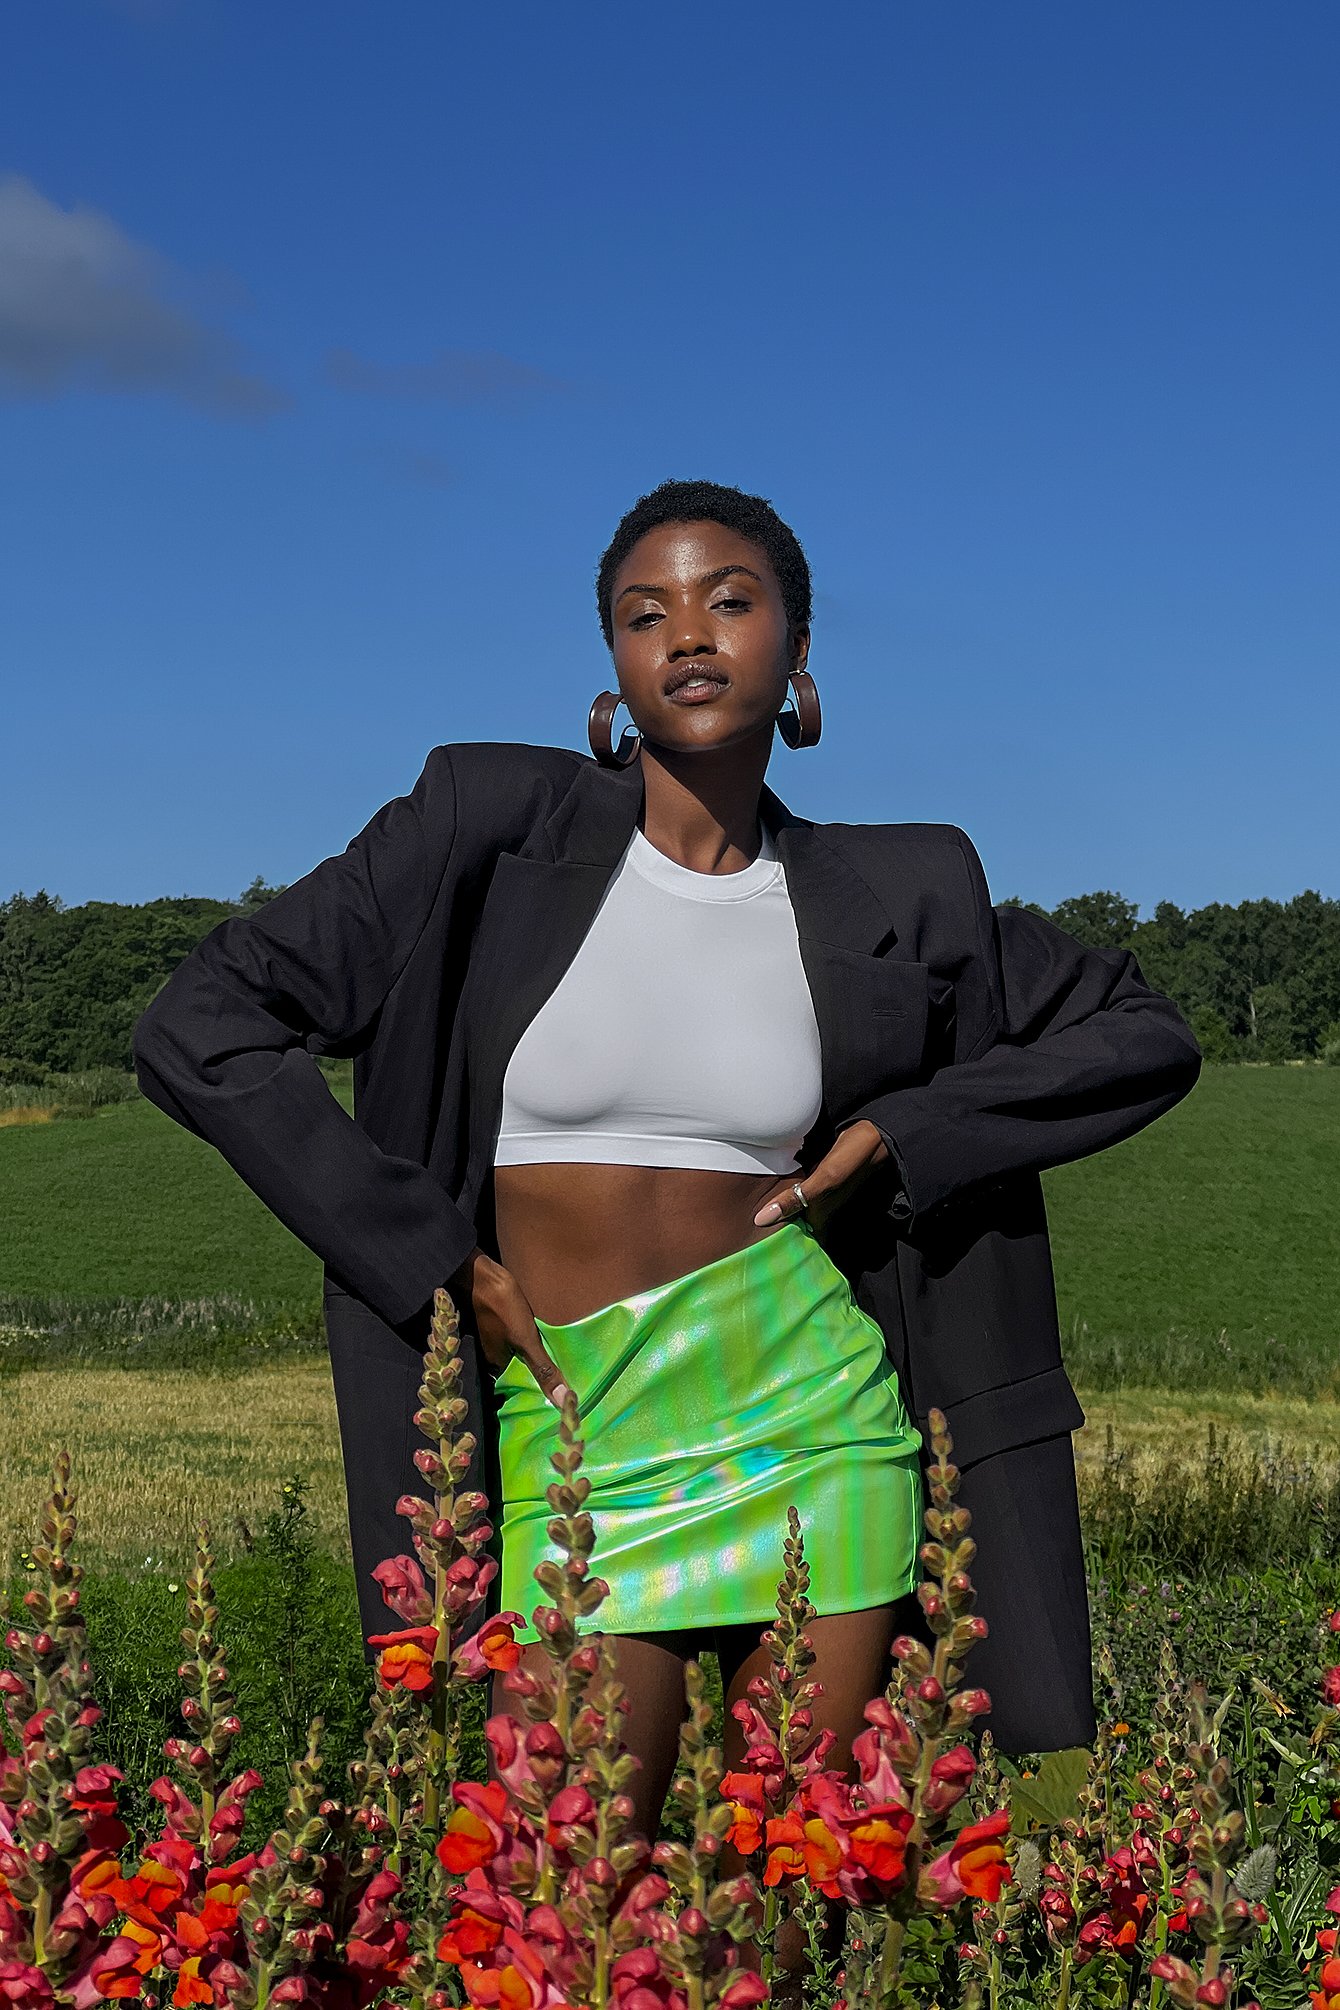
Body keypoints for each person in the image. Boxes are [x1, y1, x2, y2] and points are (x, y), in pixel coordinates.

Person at [131, 479, 1202, 1848]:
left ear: (798, 659)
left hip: (811, 1421)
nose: (688, 633)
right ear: (617, 674)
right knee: (560, 1886)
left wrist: (902, 1134)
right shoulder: (487, 822)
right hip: (568, 1425)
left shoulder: (905, 888)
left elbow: (1144, 1031)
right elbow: (199, 1026)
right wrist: (431, 1252)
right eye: (648, 614)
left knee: (779, 1881)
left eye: (729, 600)